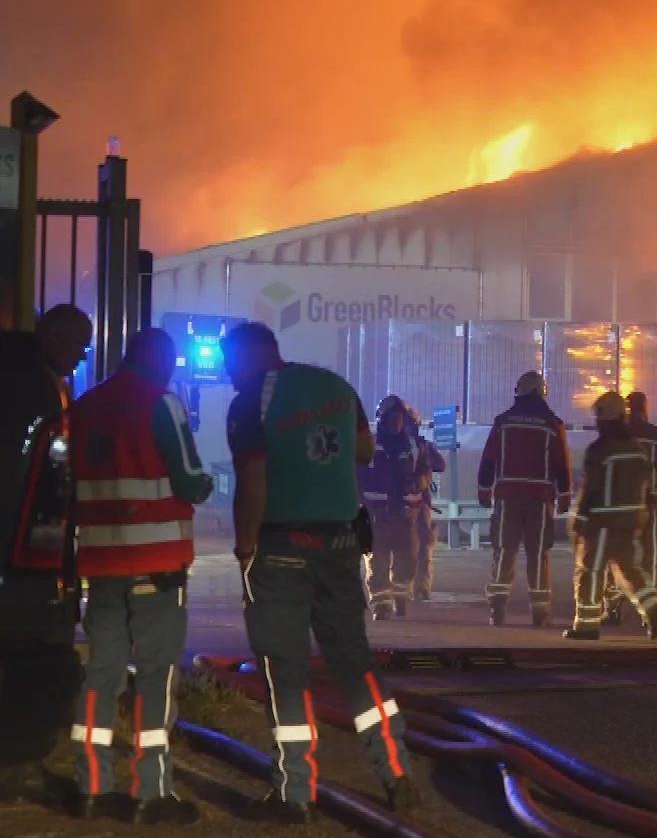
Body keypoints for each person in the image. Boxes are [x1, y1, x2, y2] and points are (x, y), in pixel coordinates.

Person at [224, 322, 416, 823]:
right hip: (341, 541)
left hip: (282, 545)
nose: (226, 373)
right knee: (354, 661)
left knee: (284, 670)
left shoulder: (250, 402)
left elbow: (253, 483)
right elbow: (364, 452)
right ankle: (397, 773)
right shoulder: (336, 386)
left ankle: (294, 793)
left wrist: (246, 548)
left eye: (228, 361)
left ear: (247, 354)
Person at [66, 328, 213, 824]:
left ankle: (90, 787)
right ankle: (151, 793)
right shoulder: (162, 404)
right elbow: (191, 481)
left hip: (100, 563)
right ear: (164, 362)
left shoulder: (83, 407)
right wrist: (206, 482)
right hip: (156, 562)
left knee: (101, 672)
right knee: (156, 674)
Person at [0, 305, 91, 806]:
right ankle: (18, 765)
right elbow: (53, 496)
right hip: (23, 575)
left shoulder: (40, 387)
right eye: (77, 342)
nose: (81, 355)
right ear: (50, 333)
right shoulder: (37, 392)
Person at [566, 393, 657, 641]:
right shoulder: (637, 448)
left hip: (603, 521)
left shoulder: (600, 449)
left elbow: (591, 489)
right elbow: (650, 482)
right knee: (628, 569)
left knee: (591, 569)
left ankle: (586, 625)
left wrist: (579, 519)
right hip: (631, 520)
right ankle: (654, 608)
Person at [477, 372, 569, 629]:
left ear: (518, 391)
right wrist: (564, 494)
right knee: (538, 554)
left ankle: (497, 608)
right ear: (542, 392)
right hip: (540, 499)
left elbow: (489, 459)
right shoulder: (552, 424)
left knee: (504, 550)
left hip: (508, 497)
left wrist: (484, 490)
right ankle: (540, 612)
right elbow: (562, 464)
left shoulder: (503, 422)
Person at [602, 391, 657, 629]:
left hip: (619, 509)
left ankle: (612, 609)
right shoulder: (656, 435)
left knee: (616, 559)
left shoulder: (614, 436)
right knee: (650, 558)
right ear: (644, 408)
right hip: (649, 508)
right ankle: (651, 612)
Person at [360, 397, 443, 621]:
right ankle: (381, 603)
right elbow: (356, 475)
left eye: (400, 418)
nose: (397, 423)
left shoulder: (415, 446)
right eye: (392, 418)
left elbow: (428, 470)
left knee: (408, 558)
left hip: (407, 513)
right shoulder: (369, 444)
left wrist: (419, 484)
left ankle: (400, 595)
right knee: (377, 560)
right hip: (377, 513)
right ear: (382, 420)